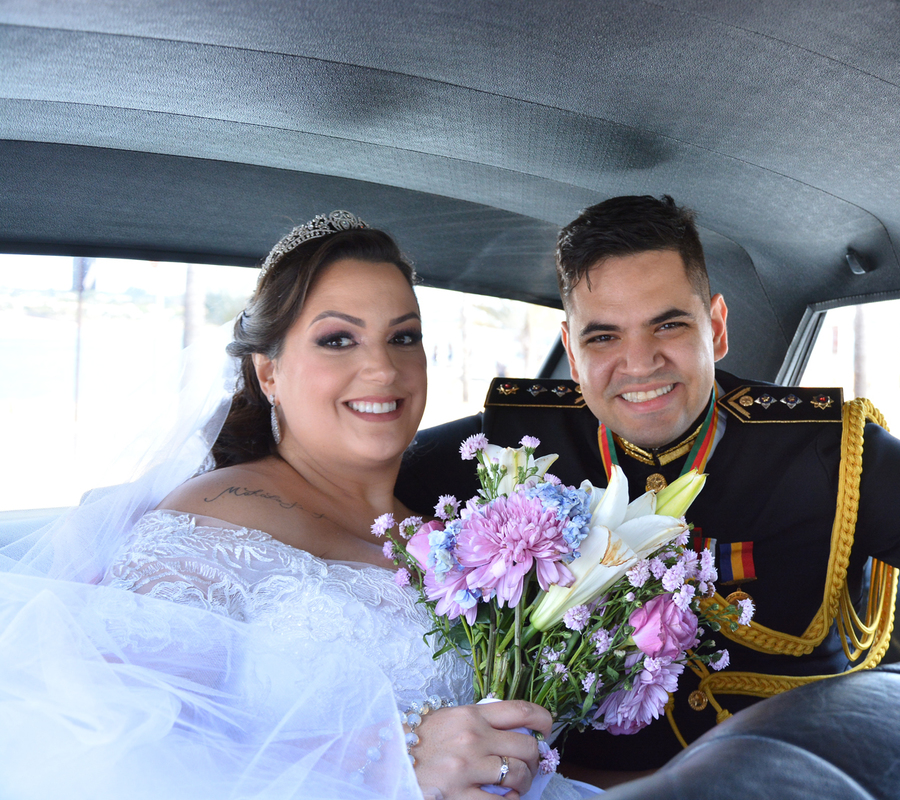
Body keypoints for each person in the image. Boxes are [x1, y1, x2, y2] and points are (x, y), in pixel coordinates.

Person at [396, 195, 900, 777]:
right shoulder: (506, 447)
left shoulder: (827, 454)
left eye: (669, 325)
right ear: (571, 345)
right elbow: (337, 482)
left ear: (718, 328)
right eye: (604, 336)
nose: (638, 364)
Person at [0, 212, 596, 800]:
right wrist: (396, 756)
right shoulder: (211, 517)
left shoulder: (458, 538)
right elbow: (124, 747)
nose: (382, 367)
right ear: (268, 374)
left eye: (403, 336)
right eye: (338, 339)